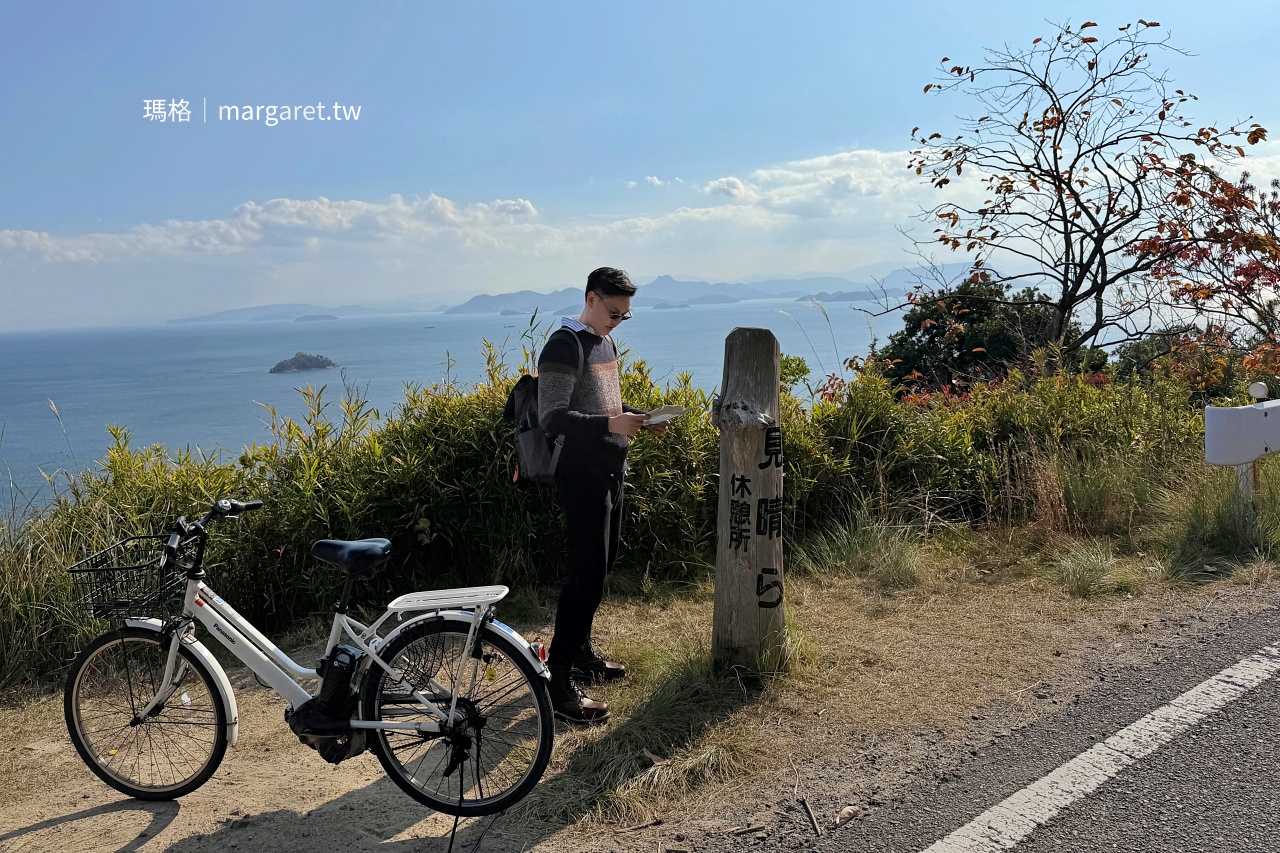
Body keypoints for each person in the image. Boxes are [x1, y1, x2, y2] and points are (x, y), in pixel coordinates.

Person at [536, 267, 668, 724]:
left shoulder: (605, 342)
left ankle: (581, 654)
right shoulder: (563, 343)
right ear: (591, 298)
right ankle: (559, 682)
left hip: (611, 467)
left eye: (625, 315)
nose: (618, 321)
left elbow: (605, 404)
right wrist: (611, 425)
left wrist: (636, 415)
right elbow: (552, 417)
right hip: (580, 473)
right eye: (614, 312)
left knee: (602, 567)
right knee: (585, 574)